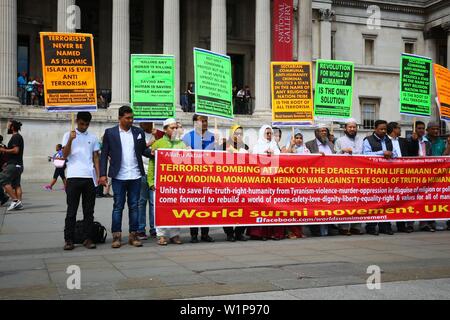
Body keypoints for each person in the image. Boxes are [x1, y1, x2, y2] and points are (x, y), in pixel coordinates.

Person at [99, 106, 151, 249]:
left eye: (132, 118)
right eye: (127, 118)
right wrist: (102, 174)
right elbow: (104, 154)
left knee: (134, 206)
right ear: (120, 118)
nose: (130, 120)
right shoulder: (110, 133)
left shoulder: (138, 132)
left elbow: (143, 150)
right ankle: (116, 236)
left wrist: (154, 152)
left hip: (135, 175)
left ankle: (133, 235)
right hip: (119, 175)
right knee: (118, 206)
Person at [61, 112, 100, 250]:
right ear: (77, 121)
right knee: (71, 210)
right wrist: (71, 140)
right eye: (82, 123)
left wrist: (99, 175)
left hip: (89, 177)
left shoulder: (93, 137)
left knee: (89, 211)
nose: (84, 126)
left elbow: (95, 157)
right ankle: (69, 239)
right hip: (73, 176)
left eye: (87, 124)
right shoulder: (68, 135)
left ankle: (88, 238)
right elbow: (64, 156)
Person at [148, 118, 187, 245]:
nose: (175, 130)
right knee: (161, 208)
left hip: (177, 183)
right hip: (161, 183)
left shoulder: (181, 144)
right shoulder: (158, 144)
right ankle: (162, 235)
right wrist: (151, 181)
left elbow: (187, 163)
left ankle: (175, 234)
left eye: (176, 127)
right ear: (165, 130)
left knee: (176, 208)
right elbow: (152, 164)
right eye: (172, 128)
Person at [182, 114, 216, 243]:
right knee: (194, 206)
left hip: (208, 177)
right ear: (195, 122)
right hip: (193, 178)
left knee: (207, 206)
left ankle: (205, 233)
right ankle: (194, 234)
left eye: (206, 121)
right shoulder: (187, 137)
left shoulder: (213, 137)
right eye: (202, 121)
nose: (205, 123)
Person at [247, 125, 283, 241]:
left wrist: (274, 154)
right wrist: (263, 154)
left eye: (270, 133)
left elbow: (282, 160)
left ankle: (274, 233)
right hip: (261, 182)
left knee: (273, 206)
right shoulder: (257, 146)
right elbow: (253, 160)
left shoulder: (275, 146)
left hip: (273, 182)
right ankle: (260, 233)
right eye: (267, 133)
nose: (269, 136)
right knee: (261, 207)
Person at [362, 120, 397, 235]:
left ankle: (385, 226)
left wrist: (391, 154)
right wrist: (382, 153)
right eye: (381, 129)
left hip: (386, 175)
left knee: (386, 201)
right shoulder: (368, 140)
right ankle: (371, 226)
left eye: (385, 129)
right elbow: (365, 154)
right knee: (373, 201)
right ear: (375, 129)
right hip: (373, 175)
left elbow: (395, 153)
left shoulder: (388, 140)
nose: (383, 131)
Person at [387, 121, 419, 234]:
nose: (400, 131)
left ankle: (401, 225)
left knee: (402, 200)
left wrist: (415, 141)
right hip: (389, 174)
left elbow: (413, 153)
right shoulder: (385, 141)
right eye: (399, 128)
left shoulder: (403, 141)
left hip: (403, 174)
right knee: (389, 201)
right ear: (393, 129)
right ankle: (387, 225)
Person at [334, 119, 364, 235]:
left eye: (354, 127)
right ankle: (344, 227)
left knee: (358, 201)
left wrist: (353, 153)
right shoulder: (340, 141)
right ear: (345, 128)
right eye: (350, 127)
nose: (352, 129)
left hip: (358, 174)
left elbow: (363, 154)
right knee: (345, 200)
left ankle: (356, 226)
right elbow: (334, 156)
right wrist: (342, 151)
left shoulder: (361, 140)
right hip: (344, 175)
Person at [419, 121, 450, 232]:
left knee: (436, 198)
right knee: (425, 198)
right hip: (425, 174)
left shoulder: (442, 142)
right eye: (433, 129)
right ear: (428, 130)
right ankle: (425, 223)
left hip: (439, 175)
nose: (436, 131)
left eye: (437, 129)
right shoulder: (423, 141)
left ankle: (433, 221)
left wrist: (449, 145)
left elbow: (444, 157)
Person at [305, 124, 335, 237]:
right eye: (321, 131)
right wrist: (315, 156)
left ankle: (329, 227)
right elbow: (305, 158)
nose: (324, 133)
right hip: (315, 180)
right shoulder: (309, 145)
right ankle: (315, 229)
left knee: (328, 204)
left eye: (325, 131)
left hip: (329, 179)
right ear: (316, 133)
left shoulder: (331, 145)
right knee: (315, 205)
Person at [222, 125, 249, 241]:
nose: (238, 136)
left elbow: (248, 161)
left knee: (243, 207)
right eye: (236, 133)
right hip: (227, 182)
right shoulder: (223, 146)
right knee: (228, 208)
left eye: (240, 134)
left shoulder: (245, 146)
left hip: (242, 181)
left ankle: (239, 232)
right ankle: (229, 233)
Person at [284, 129, 309, 239]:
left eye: (300, 138)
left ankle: (299, 231)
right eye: (296, 137)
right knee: (289, 208)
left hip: (301, 183)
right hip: (288, 183)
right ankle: (289, 231)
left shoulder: (305, 150)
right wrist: (291, 147)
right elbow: (283, 157)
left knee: (299, 208)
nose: (298, 140)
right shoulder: (285, 147)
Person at [136, 122, 157, 240]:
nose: (142, 123)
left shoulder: (158, 134)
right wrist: (150, 143)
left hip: (154, 173)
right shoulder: (138, 134)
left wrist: (156, 139)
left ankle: (154, 228)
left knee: (154, 202)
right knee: (142, 201)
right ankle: (141, 228)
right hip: (142, 172)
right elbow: (138, 150)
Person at [0, 120, 25, 211]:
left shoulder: (16, 137)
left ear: (12, 127)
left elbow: (16, 150)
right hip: (17, 165)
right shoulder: (18, 137)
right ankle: (19, 203)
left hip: (14, 165)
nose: (7, 127)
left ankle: (15, 200)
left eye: (8, 125)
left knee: (2, 180)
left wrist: (4, 150)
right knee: (16, 185)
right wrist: (7, 162)